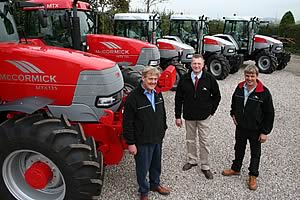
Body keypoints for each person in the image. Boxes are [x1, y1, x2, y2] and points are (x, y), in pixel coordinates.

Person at [222, 64, 275, 190]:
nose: (249, 78)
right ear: (244, 76)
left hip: (256, 129)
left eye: (252, 76)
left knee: (255, 153)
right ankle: (235, 168)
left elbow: (270, 113)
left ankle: (253, 175)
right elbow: (234, 102)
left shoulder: (264, 92)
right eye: (247, 75)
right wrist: (233, 114)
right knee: (239, 148)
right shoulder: (240, 87)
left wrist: (265, 132)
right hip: (241, 127)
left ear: (257, 76)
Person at [123, 66, 170, 200]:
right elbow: (127, 123)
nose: (153, 82)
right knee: (142, 168)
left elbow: (162, 113)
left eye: (155, 79)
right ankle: (144, 191)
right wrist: (131, 143)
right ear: (143, 78)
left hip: (157, 138)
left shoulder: (157, 93)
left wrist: (163, 128)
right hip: (142, 140)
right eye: (150, 79)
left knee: (156, 164)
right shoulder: (133, 97)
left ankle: (155, 184)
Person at [175, 54, 221, 179]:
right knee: (190, 139)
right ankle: (192, 160)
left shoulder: (209, 79)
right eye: (194, 63)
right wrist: (177, 116)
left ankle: (205, 166)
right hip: (189, 116)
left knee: (204, 141)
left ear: (203, 65)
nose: (196, 66)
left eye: (199, 64)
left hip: (204, 116)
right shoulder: (184, 79)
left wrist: (211, 111)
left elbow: (217, 96)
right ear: (191, 64)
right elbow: (178, 98)